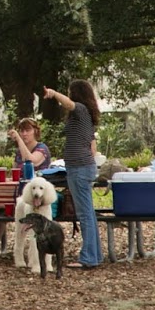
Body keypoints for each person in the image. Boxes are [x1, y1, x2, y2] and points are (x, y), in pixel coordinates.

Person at [44, 79, 102, 269]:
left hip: (79, 168)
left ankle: (88, 258)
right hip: (82, 166)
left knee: (85, 215)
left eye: (70, 92)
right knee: (89, 214)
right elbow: (93, 147)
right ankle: (95, 255)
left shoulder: (80, 110)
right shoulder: (86, 117)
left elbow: (68, 104)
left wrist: (53, 93)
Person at [0, 117, 51, 257]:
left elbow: (32, 161)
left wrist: (19, 140)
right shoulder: (19, 152)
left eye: (28, 130)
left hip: (35, 195)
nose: (24, 134)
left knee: (1, 208)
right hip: (18, 191)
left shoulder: (42, 148)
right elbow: (15, 172)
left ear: (35, 131)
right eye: (22, 131)